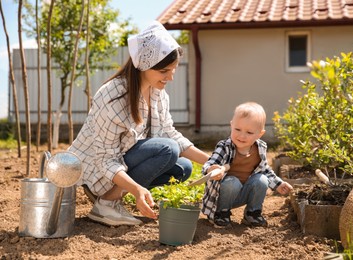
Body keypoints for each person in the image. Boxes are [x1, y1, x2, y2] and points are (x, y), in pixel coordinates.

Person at [68, 21, 210, 226]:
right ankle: (106, 203)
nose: (170, 77)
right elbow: (105, 160)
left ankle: (114, 197)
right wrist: (136, 189)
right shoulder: (113, 96)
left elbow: (170, 134)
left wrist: (211, 162)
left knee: (183, 168)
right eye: (164, 71)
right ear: (144, 66)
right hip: (99, 173)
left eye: (174, 69)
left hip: (122, 165)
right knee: (168, 150)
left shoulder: (158, 93)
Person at [201, 102, 293, 228]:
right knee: (232, 182)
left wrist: (279, 184)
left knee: (261, 180)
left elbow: (265, 169)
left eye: (249, 132)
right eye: (237, 129)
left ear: (260, 134)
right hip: (222, 195)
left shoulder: (259, 148)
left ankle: (252, 213)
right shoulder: (225, 147)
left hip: (243, 193)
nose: (242, 136)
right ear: (231, 125)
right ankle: (221, 213)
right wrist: (211, 170)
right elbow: (209, 164)